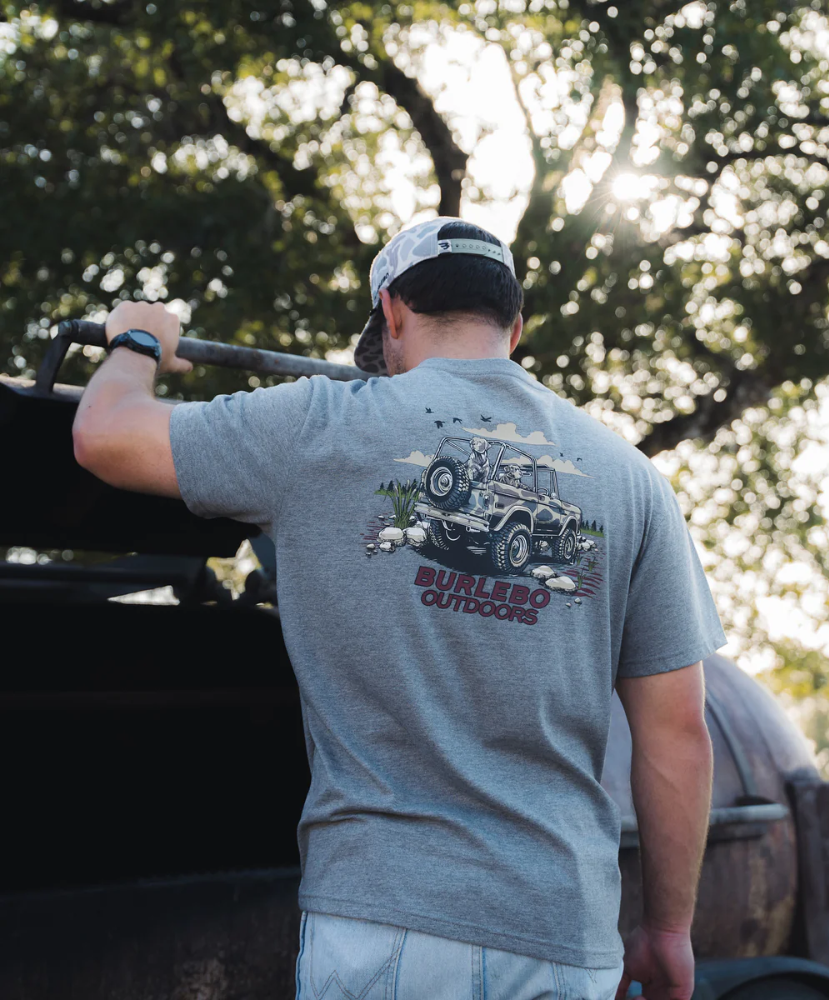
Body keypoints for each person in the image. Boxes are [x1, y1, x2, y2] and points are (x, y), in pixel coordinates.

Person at [73, 217, 727, 1000]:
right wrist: (666, 931)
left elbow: (103, 435)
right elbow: (677, 734)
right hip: (561, 935)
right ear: (513, 327)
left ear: (391, 313)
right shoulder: (634, 482)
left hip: (382, 929)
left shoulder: (314, 425)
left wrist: (138, 339)